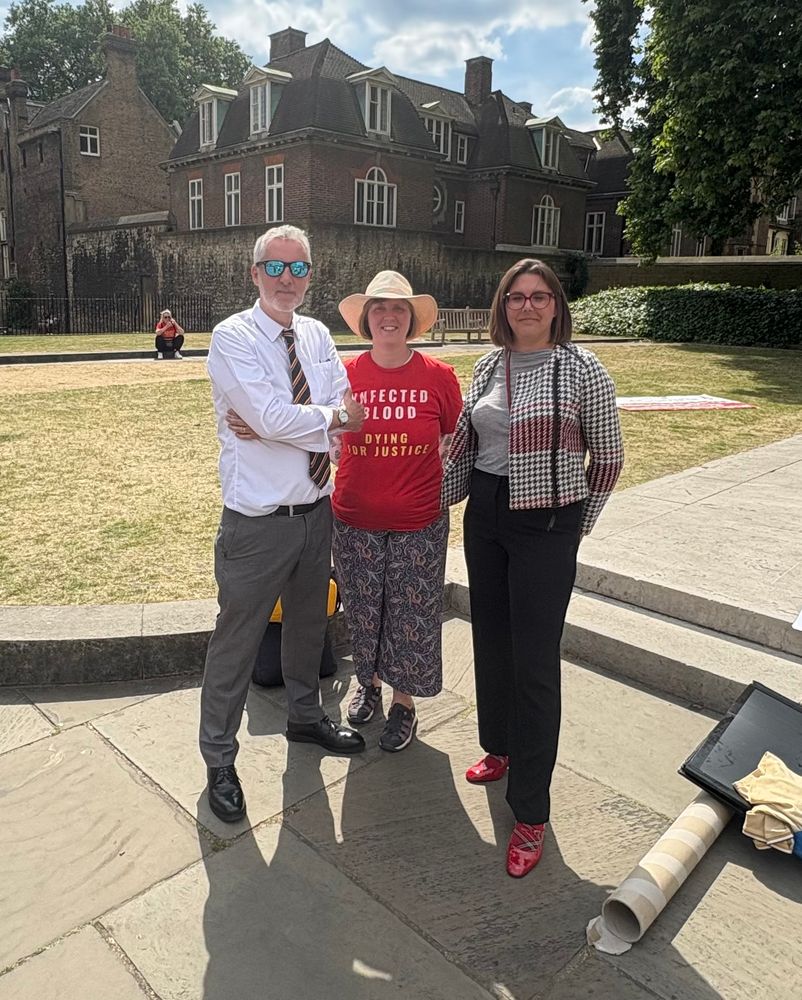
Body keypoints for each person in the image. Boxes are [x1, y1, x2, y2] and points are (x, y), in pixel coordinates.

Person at [441, 258, 624, 877]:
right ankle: (500, 747)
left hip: (548, 520)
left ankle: (531, 812)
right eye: (516, 296)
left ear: (556, 306)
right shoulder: (488, 365)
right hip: (488, 512)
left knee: (535, 662)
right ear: (503, 305)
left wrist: (576, 524)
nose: (526, 306)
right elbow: (468, 443)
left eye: (539, 297)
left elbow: (609, 457)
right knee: (491, 640)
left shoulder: (583, 369)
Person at [200, 224, 367, 824]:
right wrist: (314, 419)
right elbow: (278, 416)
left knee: (308, 626)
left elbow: (352, 412)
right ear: (254, 273)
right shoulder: (233, 337)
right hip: (257, 522)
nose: (288, 280)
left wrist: (295, 421)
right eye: (276, 268)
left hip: (315, 509)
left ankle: (305, 717)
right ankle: (219, 757)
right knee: (236, 642)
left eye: (299, 269)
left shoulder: (319, 334)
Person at [332, 272, 463, 751]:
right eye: (380, 309)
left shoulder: (438, 376)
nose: (389, 316)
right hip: (353, 517)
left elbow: (456, 436)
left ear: (412, 320)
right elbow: (316, 430)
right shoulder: (343, 374)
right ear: (367, 319)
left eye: (399, 309)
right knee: (364, 611)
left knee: (411, 613)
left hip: (420, 520)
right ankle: (368, 685)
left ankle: (403, 704)